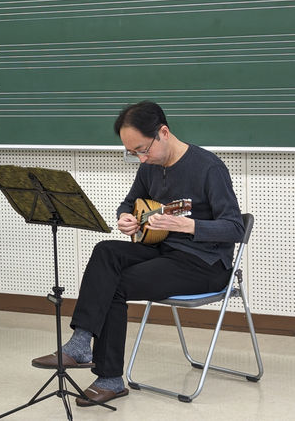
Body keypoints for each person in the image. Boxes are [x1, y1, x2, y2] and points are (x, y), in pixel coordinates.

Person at [32, 101, 244, 406]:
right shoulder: (149, 167)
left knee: (115, 285)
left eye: (143, 150)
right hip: (162, 249)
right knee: (106, 251)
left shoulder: (209, 168)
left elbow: (235, 227)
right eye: (133, 153)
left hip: (205, 264)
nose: (141, 159)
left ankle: (109, 378)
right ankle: (81, 341)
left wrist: (187, 225)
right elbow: (129, 203)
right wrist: (125, 218)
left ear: (163, 133)